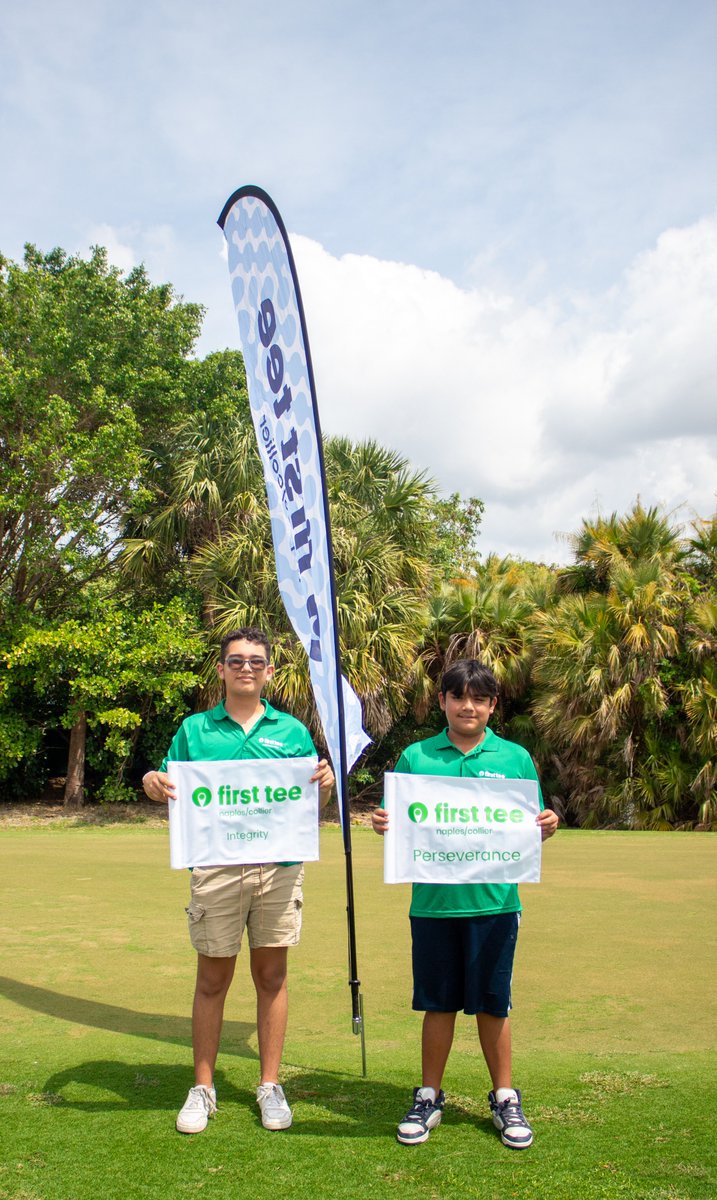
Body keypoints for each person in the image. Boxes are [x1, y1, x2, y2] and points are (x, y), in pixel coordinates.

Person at [143, 626, 334, 1136]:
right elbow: (164, 781)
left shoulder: (291, 731)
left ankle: (269, 1084)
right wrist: (150, 781)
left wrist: (325, 785)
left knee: (271, 977)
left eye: (255, 661)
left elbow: (308, 804)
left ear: (269, 671)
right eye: (236, 660)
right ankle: (203, 1087)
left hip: (278, 870)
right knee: (212, 980)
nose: (245, 667)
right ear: (222, 669)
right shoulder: (194, 729)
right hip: (216, 869)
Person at [372, 659, 558, 1150]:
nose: (468, 706)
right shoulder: (416, 756)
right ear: (443, 702)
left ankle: (504, 1096)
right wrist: (385, 827)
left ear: (492, 705)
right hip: (433, 905)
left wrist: (547, 825)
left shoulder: (515, 758)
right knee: (437, 1003)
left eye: (478, 698)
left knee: (493, 1004)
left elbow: (530, 824)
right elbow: (402, 825)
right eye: (458, 697)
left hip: (495, 903)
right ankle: (429, 1095)